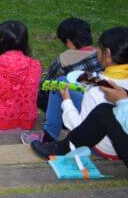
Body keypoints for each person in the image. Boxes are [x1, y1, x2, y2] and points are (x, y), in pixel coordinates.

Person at [51, 27, 128, 158]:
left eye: (99, 48)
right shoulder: (102, 81)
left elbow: (79, 129)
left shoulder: (97, 90)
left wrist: (66, 100)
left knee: (61, 81)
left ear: (108, 54)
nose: (97, 52)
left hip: (102, 148)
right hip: (121, 142)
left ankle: (49, 135)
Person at [31, 80, 128, 168]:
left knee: (103, 112)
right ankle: (51, 139)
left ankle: (62, 146)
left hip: (100, 148)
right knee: (104, 110)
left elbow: (79, 127)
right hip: (113, 146)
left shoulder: (95, 93)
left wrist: (66, 101)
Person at [37, 18, 100, 111]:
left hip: (74, 107)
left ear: (69, 42)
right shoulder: (103, 56)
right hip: (98, 104)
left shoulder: (62, 60)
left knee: (42, 97)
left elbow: (46, 86)